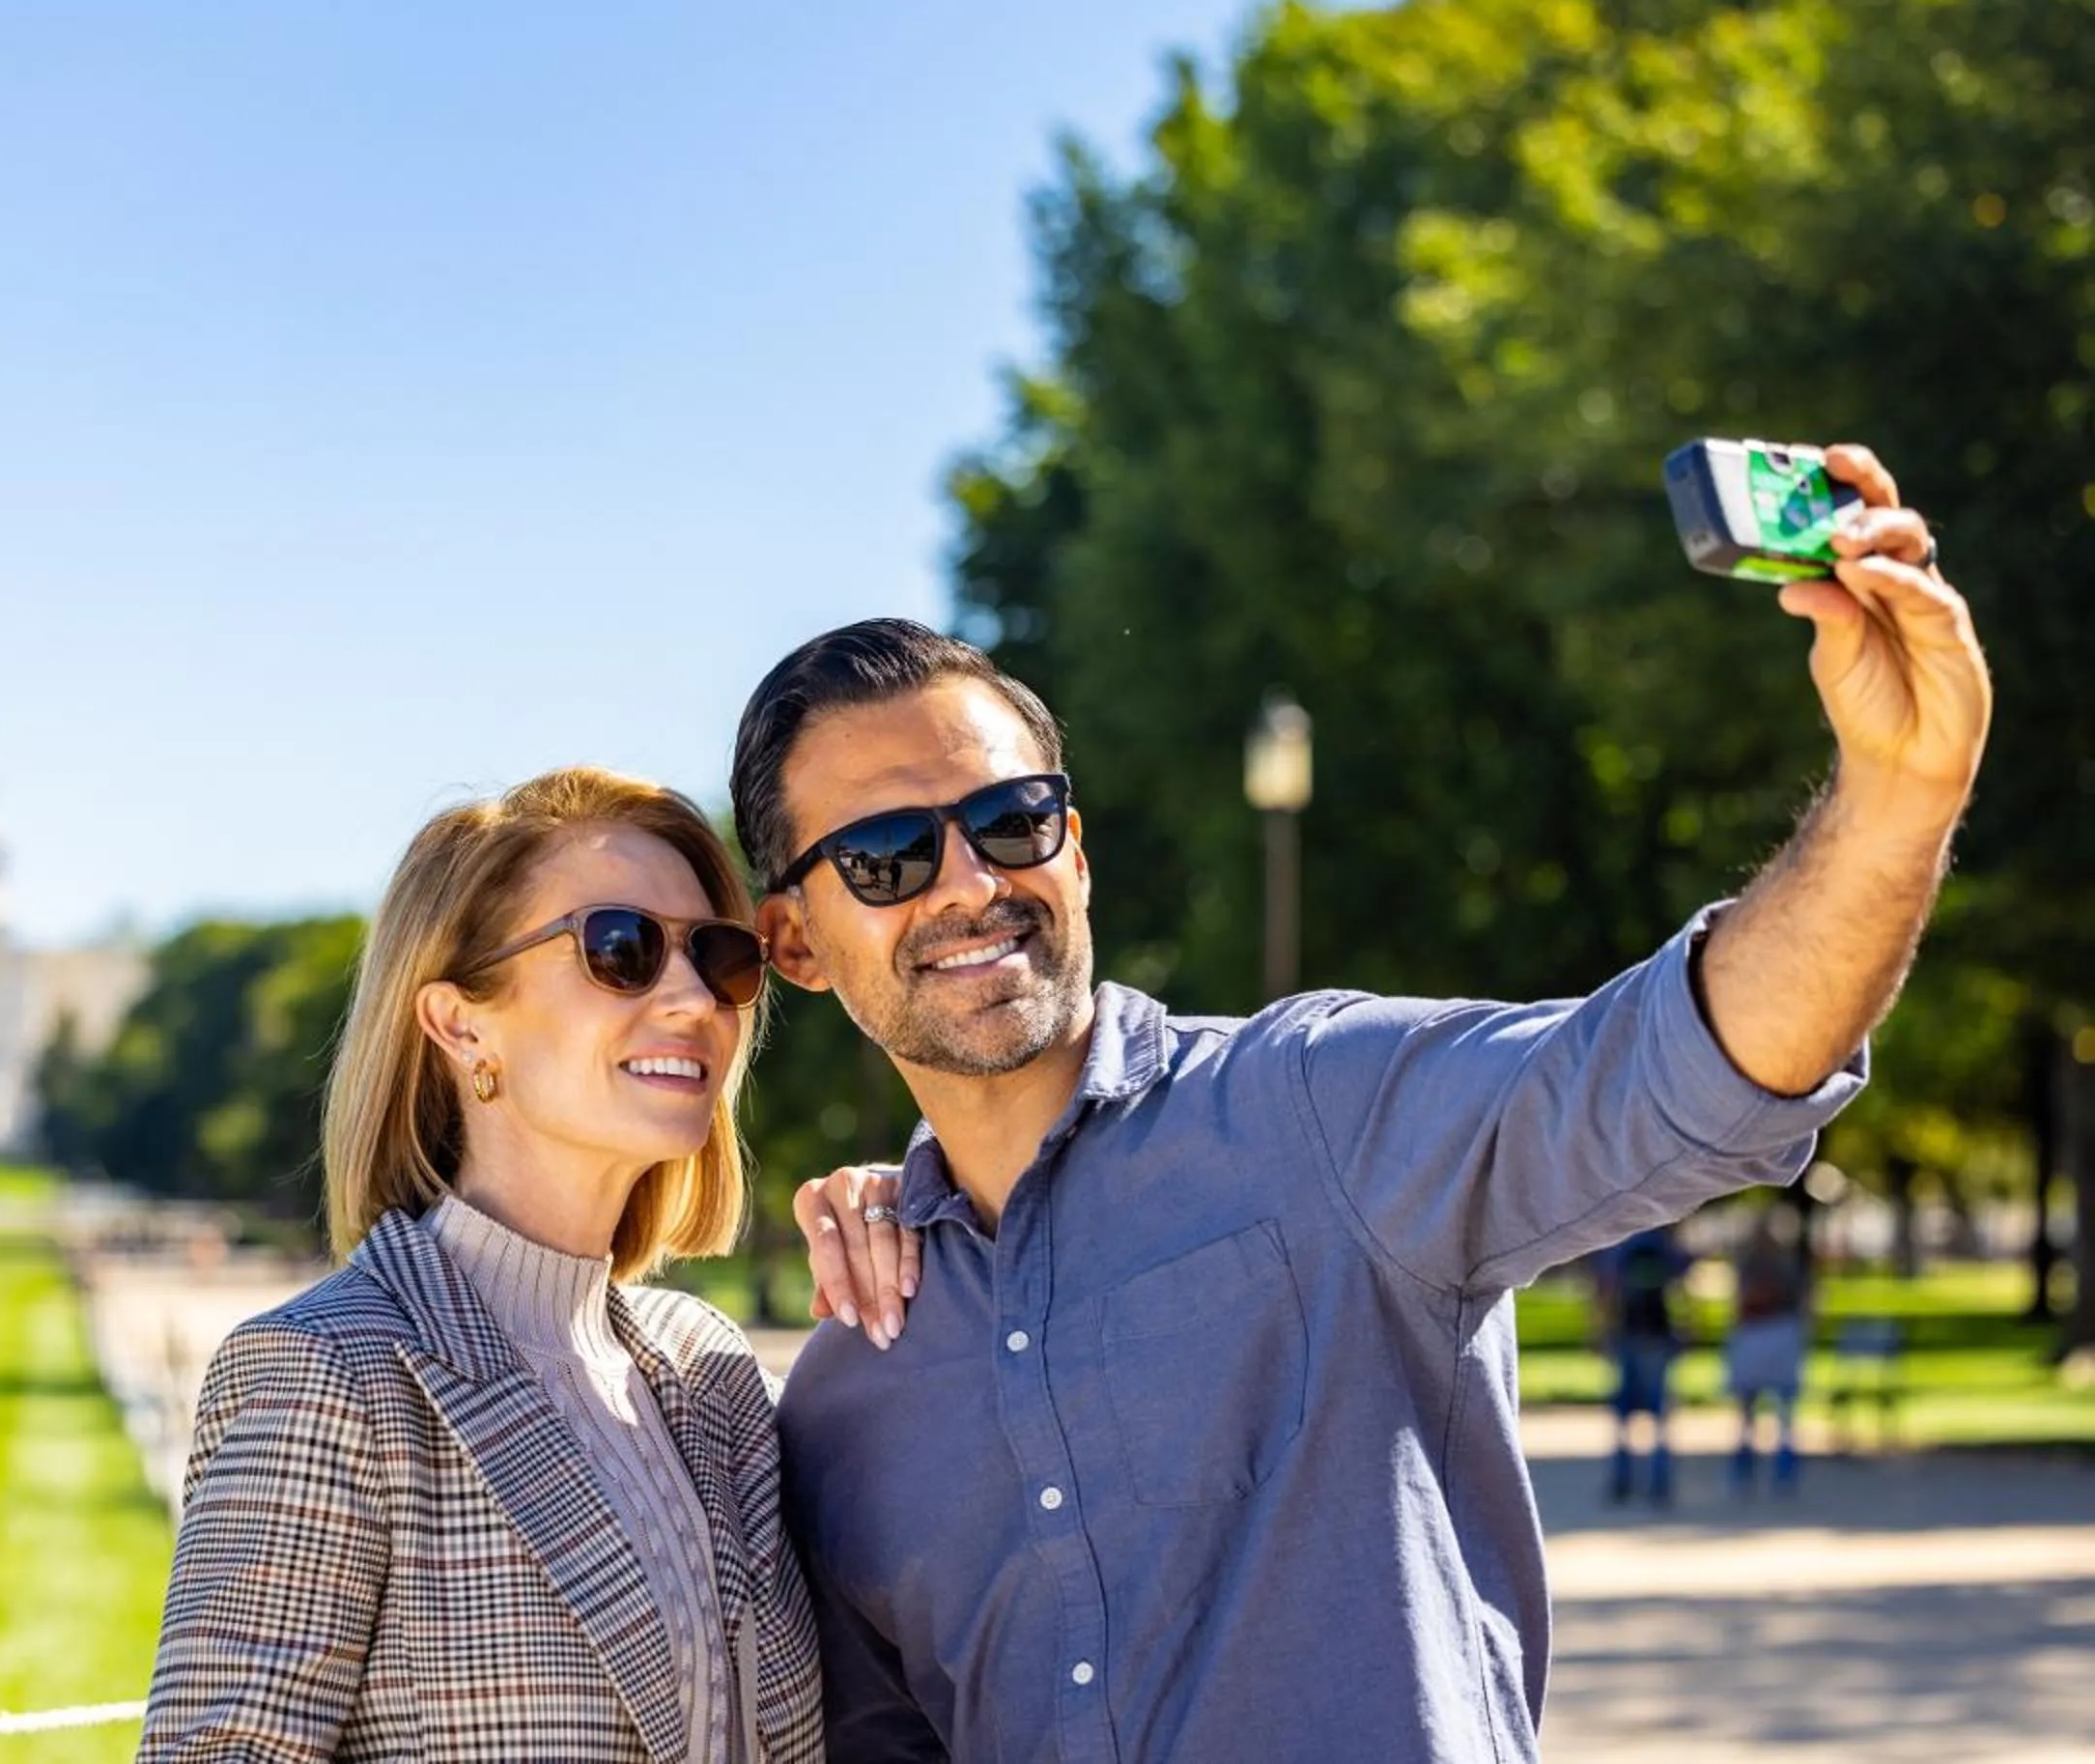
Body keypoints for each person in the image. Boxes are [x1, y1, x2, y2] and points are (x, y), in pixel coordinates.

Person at [748, 445, 1988, 1760]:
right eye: (886, 855)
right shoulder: (842, 1397)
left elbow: (1686, 1065)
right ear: (794, 944)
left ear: (1078, 848)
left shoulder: (1325, 1109)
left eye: (1010, 817)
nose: (964, 882)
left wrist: (1898, 796)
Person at [138, 767, 890, 1763]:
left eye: (717, 955)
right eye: (619, 948)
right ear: (459, 1022)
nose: (692, 997)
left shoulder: (712, 1378)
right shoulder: (327, 1377)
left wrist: (924, 1208)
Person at [1595, 1223, 1689, 1506]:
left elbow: (1607, 1290)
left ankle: (1623, 1480)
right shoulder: (1663, 1245)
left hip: (1629, 1333)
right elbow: (1680, 1290)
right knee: (1660, 1414)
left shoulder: (1620, 1242)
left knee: (1624, 1414)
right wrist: (1686, 1328)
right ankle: (1659, 1483)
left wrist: (1600, 1330)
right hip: (1658, 1335)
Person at [1723, 1206, 1817, 1491]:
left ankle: (1771, 1467)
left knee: (1770, 1409)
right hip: (1768, 1334)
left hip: (1768, 1334)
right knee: (1759, 1409)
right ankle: (1763, 1467)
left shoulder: (1775, 1266)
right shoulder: (1771, 1264)